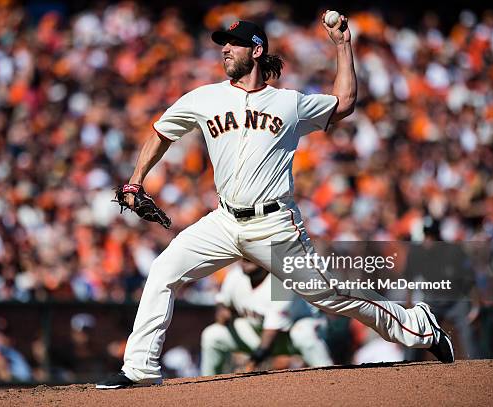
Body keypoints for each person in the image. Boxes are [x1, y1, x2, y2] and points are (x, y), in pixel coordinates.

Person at [96, 14, 454, 389]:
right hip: (223, 221)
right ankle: (139, 368)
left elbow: (344, 102)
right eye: (223, 43)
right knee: (163, 271)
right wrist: (136, 181)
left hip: (274, 224)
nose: (225, 49)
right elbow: (161, 132)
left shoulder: (289, 104)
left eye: (233, 43)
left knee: (329, 295)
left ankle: (417, 325)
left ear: (256, 50)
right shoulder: (206, 97)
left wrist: (342, 45)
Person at [201, 260, 332, 375]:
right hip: (258, 332)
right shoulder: (236, 275)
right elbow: (222, 302)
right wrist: (222, 311)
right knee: (213, 335)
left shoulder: (281, 280)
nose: (245, 258)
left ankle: (331, 377)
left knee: (303, 333)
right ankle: (207, 386)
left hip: (292, 334)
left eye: (251, 254)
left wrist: (249, 365)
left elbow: (268, 340)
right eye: (244, 254)